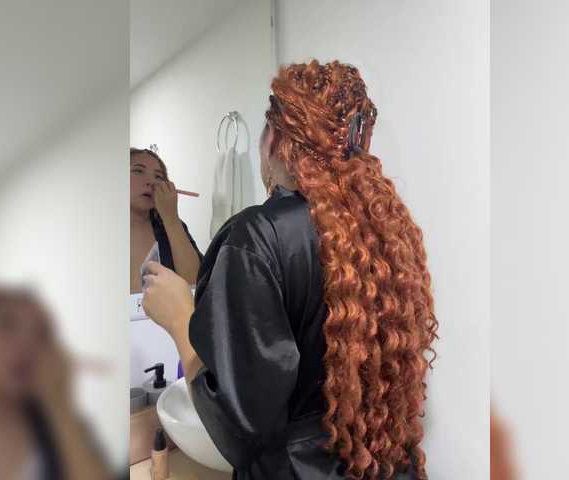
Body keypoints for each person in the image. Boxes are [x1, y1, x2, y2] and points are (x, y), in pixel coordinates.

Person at [142, 60, 438, 479]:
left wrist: (179, 321)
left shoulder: (259, 235)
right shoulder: (383, 230)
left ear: (277, 140)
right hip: (380, 463)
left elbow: (241, 431)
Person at [0, 287, 114, 480]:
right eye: (6, 324)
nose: (26, 343)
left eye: (41, 334)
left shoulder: (60, 425)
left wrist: (59, 405)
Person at [130, 147, 201, 293]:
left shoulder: (168, 225)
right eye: (138, 171)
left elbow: (194, 283)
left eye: (158, 177)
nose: (151, 182)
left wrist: (171, 218)